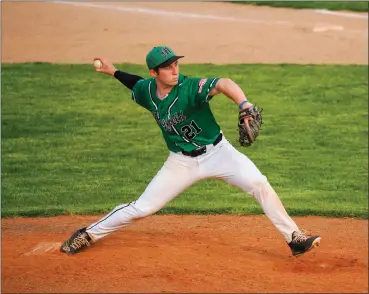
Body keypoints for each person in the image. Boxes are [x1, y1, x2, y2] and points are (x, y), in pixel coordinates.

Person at [60, 46, 321, 257]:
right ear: (155, 72)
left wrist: (244, 103)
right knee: (143, 208)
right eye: (167, 66)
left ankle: (294, 238)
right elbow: (135, 83)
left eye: (176, 64)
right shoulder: (147, 92)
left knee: (259, 183)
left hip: (219, 153)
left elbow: (224, 83)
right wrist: (112, 71)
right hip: (180, 163)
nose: (174, 69)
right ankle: (87, 233)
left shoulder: (190, 87)